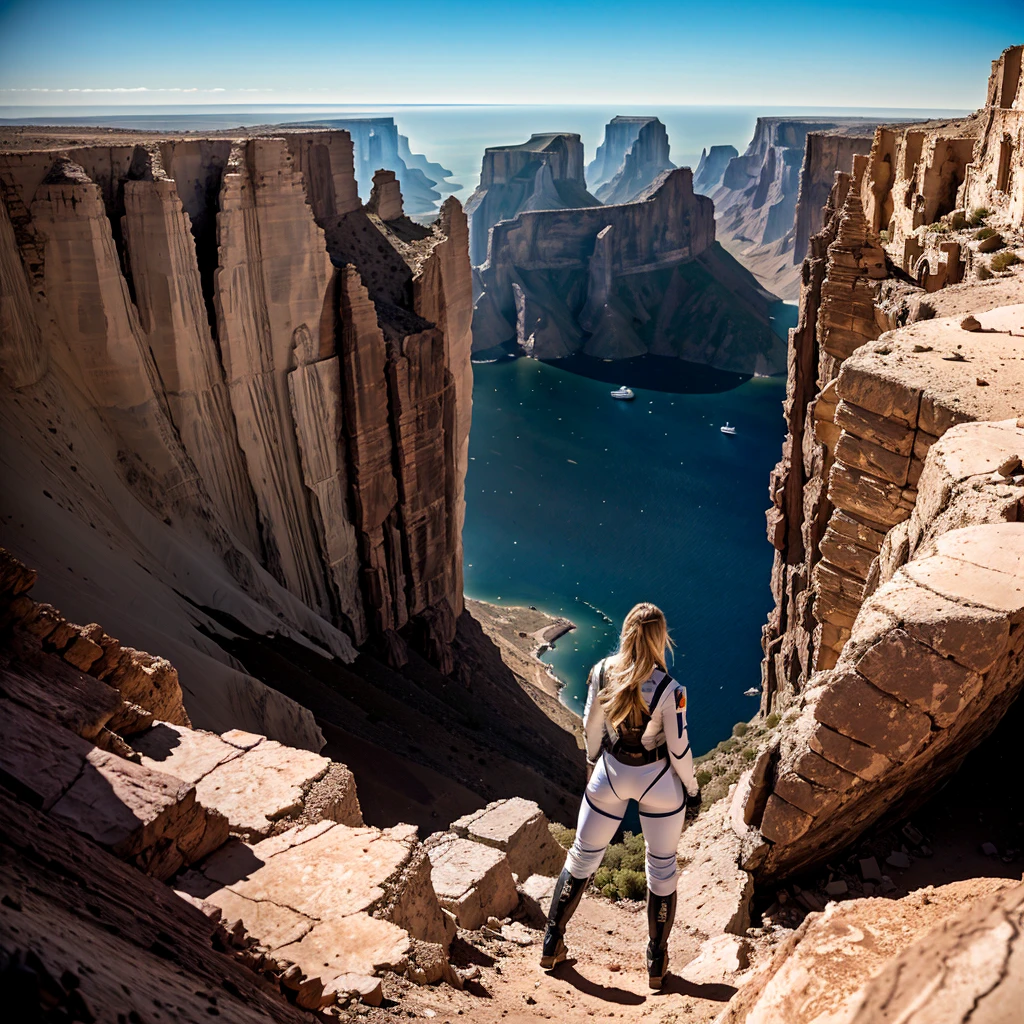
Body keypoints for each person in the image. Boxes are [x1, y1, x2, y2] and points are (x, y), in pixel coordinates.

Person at [540, 602, 701, 988]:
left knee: (581, 857)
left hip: (610, 774)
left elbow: (591, 727)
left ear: (627, 631)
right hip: (657, 780)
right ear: (661, 638)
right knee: (661, 869)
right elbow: (679, 750)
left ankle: (551, 943)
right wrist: (692, 791)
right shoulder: (671, 689)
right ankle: (656, 963)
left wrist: (592, 762)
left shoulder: (601, 672)